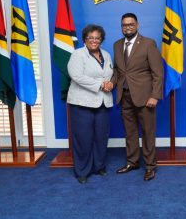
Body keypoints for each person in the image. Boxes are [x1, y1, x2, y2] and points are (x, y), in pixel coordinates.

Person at [111, 13, 164, 181]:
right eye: (124, 25)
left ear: (137, 25)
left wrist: (155, 96)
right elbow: (118, 72)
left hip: (145, 97)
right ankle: (132, 162)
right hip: (124, 96)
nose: (127, 27)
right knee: (130, 132)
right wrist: (111, 83)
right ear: (121, 27)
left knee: (148, 133)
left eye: (131, 24)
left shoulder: (148, 44)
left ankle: (150, 166)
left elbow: (158, 73)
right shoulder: (117, 45)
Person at [67, 24, 114, 184]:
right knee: (83, 138)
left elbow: (110, 74)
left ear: (101, 39)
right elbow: (76, 76)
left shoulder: (106, 55)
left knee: (101, 137)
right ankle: (82, 171)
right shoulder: (78, 54)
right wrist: (101, 84)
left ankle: (98, 166)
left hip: (103, 102)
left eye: (97, 38)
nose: (94, 41)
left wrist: (110, 84)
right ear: (85, 39)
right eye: (90, 38)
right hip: (82, 103)